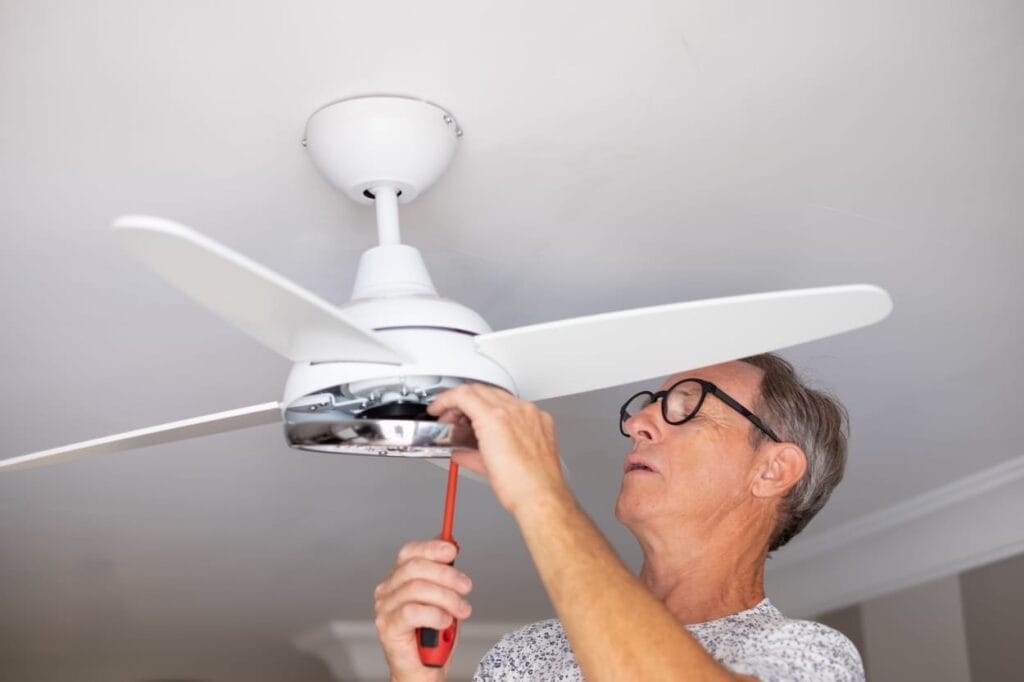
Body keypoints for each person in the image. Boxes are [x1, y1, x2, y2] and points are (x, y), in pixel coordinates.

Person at [373, 353, 865, 681]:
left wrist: (541, 493)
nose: (635, 423)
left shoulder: (810, 656)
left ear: (773, 469)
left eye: (685, 407)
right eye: (646, 407)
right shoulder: (522, 656)